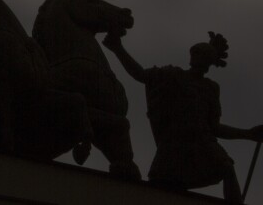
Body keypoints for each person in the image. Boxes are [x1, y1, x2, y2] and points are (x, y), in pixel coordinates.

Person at [104, 30, 263, 202]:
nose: (196, 57)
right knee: (162, 185)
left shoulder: (211, 88)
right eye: (195, 53)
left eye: (202, 55)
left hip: (204, 142)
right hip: (174, 142)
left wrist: (247, 134)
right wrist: (117, 48)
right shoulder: (172, 75)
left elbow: (215, 127)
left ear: (209, 62)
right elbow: (140, 74)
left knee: (226, 168)